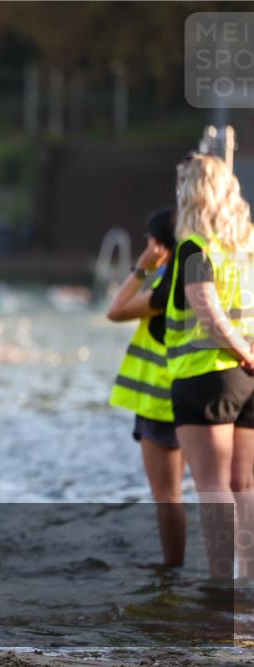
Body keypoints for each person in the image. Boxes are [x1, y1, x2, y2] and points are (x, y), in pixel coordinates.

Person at [164, 154, 254, 582]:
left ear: (193, 191)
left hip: (208, 376)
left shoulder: (194, 247)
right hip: (249, 380)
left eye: (183, 184)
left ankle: (222, 583)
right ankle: (250, 580)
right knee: (245, 486)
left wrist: (241, 350)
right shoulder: (247, 243)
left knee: (213, 486)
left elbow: (209, 315)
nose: (178, 192)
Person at [106, 208, 187, 567]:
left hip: (160, 401)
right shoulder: (201, 274)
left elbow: (116, 309)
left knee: (167, 495)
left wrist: (141, 267)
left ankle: (172, 569)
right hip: (198, 393)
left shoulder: (167, 285)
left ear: (157, 245)